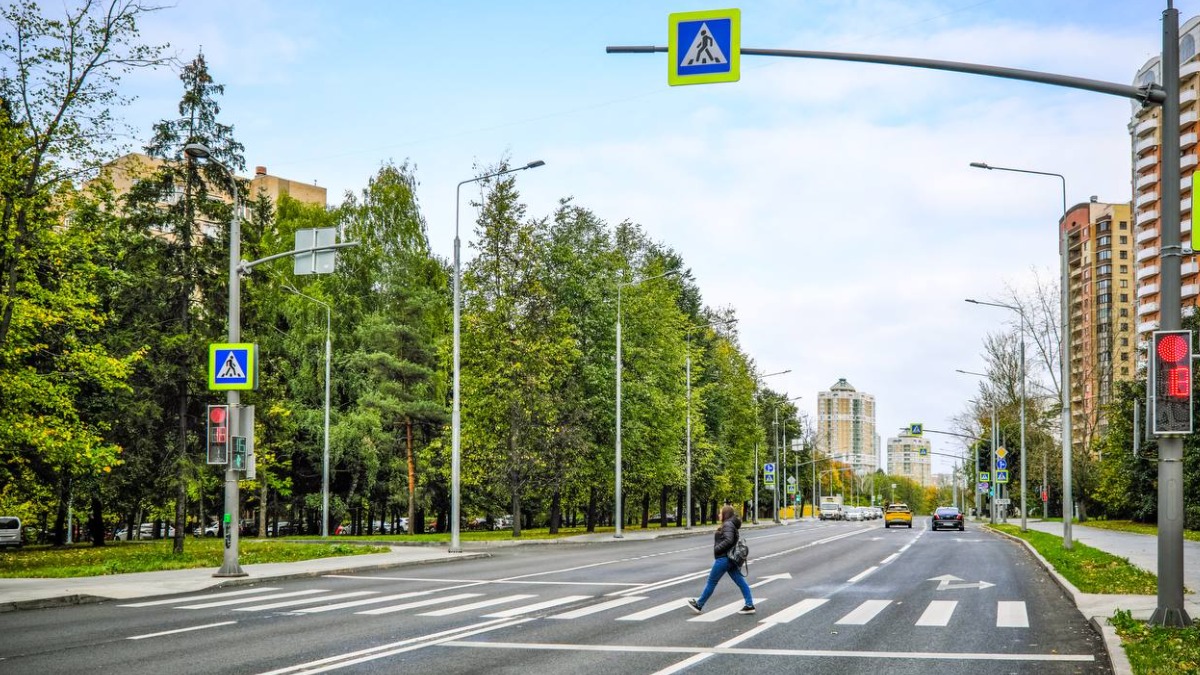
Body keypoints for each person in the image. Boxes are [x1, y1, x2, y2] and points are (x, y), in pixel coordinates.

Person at [688, 504, 755, 615]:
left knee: (712, 582)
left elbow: (728, 540)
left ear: (725, 514)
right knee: (740, 581)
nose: (719, 515)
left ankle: (699, 604)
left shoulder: (728, 524)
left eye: (720, 513)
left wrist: (717, 549)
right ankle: (749, 604)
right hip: (730, 559)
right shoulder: (731, 524)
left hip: (723, 558)